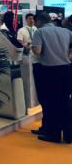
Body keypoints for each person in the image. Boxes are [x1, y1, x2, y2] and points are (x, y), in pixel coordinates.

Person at [31, 11, 72, 144]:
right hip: (66, 70)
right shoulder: (66, 32)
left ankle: (53, 134)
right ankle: (67, 134)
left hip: (49, 71)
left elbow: (37, 51)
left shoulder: (39, 32)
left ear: (38, 21)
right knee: (64, 102)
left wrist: (32, 47)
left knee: (51, 103)